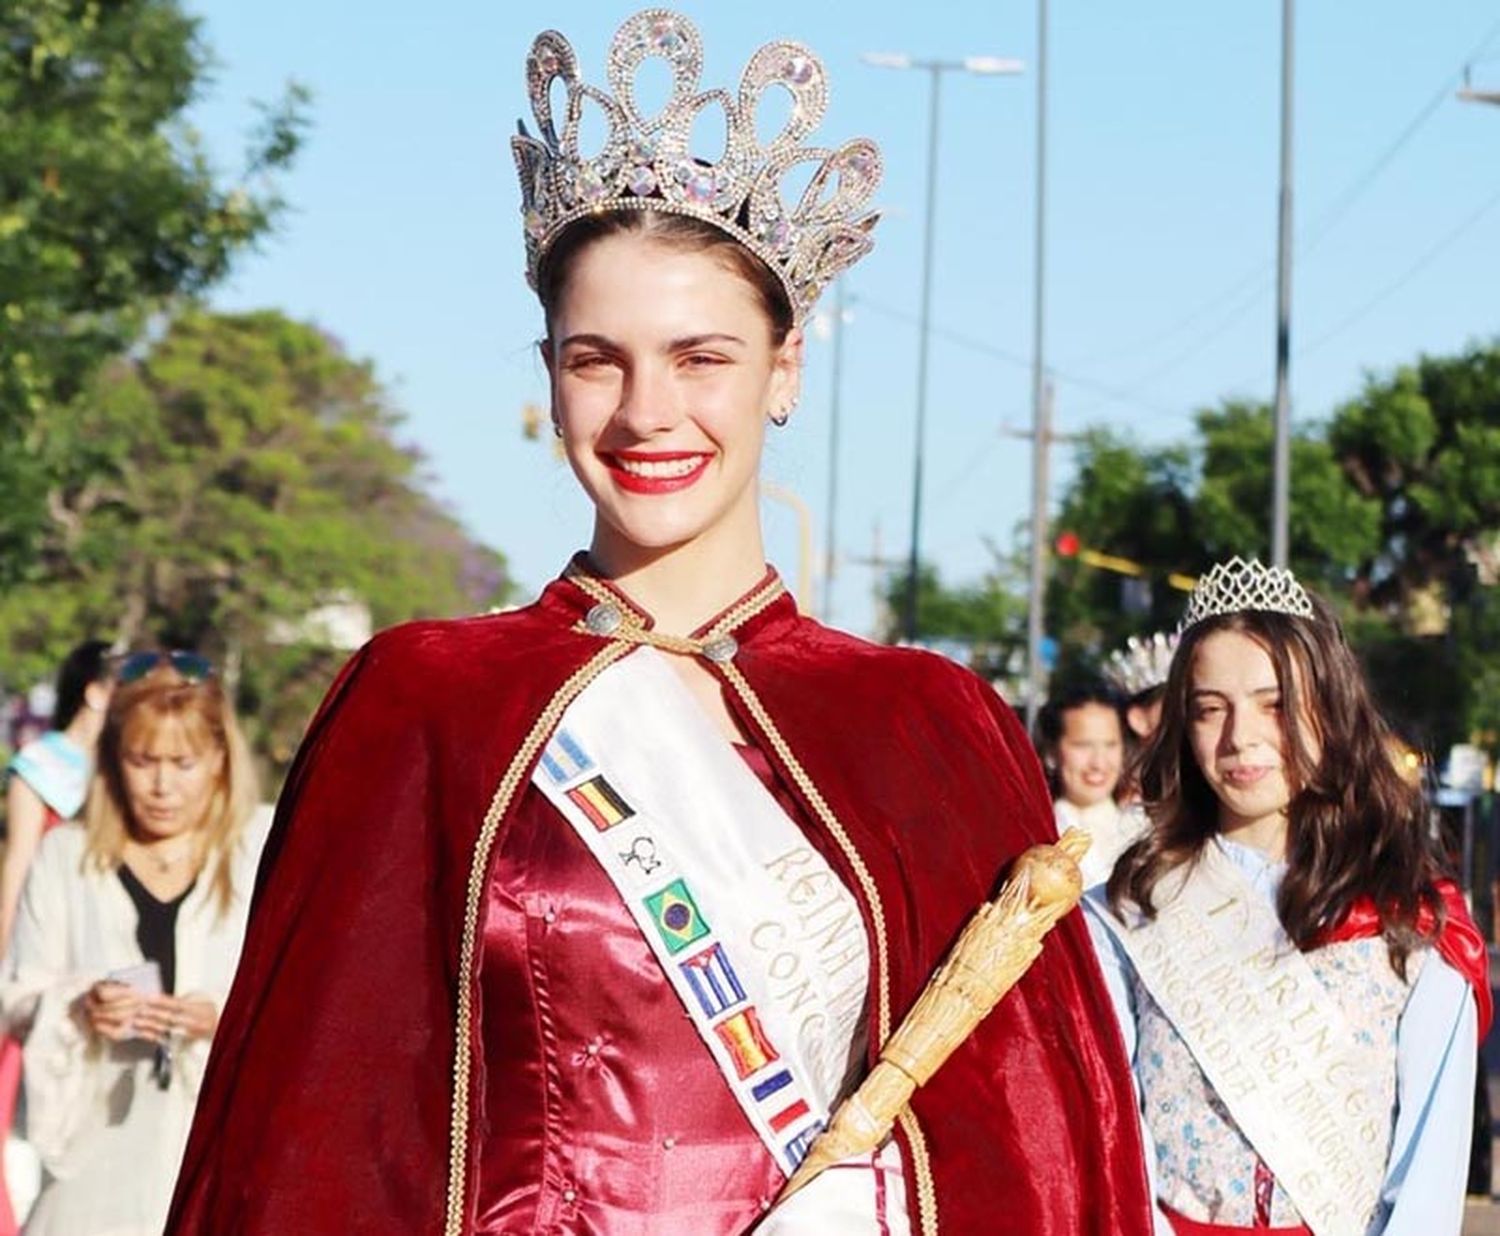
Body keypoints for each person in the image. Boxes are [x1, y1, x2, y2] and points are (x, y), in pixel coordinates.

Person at [166, 11, 1156, 1235]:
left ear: (784, 371)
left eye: (701, 357)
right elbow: (310, 1137)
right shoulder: (421, 700)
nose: (647, 413)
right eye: (598, 359)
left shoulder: (925, 725)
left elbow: (1033, 1153)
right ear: (548, 377)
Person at [1087, 558, 1492, 1235]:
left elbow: (1429, 1171)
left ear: (1329, 710)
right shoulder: (1126, 915)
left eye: (1274, 704)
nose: (1239, 737)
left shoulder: (1411, 920)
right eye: (1209, 709)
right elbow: (1109, 1131)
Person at [0, 651, 266, 1236]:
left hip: (228, 1152)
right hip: (94, 1163)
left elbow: (311, 997)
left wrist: (220, 1019)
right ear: (113, 762)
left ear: (220, 760)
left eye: (183, 762)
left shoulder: (264, 848)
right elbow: (16, 997)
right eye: (143, 761)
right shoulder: (65, 856)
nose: (163, 785)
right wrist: (82, 1004)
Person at [0, 640, 112, 1234]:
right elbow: (17, 863)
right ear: (94, 690)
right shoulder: (41, 766)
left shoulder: (127, 768)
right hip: (40, 949)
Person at [1036, 680, 1140, 886]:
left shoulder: (1145, 829)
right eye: (1082, 746)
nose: (1098, 763)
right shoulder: (1039, 836)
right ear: (1051, 752)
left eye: (1110, 745)